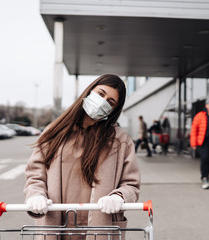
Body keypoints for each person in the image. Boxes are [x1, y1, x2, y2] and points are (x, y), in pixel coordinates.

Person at [24, 74, 140, 240]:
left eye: (110, 102)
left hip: (100, 226)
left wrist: (119, 196)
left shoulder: (119, 140)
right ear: (89, 91)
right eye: (101, 94)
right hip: (57, 225)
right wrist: (35, 195)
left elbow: (131, 184)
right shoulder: (56, 132)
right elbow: (35, 174)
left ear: (114, 110)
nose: (103, 102)